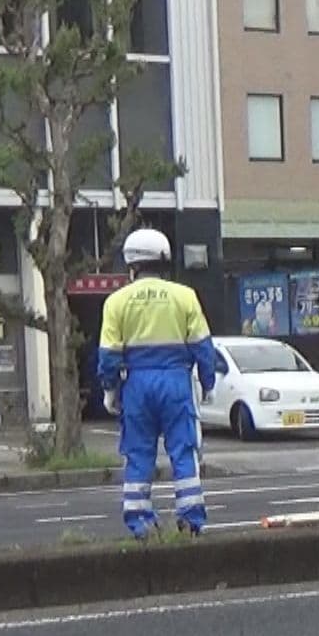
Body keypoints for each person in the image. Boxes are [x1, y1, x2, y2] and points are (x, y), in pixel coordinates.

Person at [96, 228, 219, 539]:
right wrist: (207, 381)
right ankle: (191, 519)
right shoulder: (185, 296)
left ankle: (140, 523)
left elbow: (109, 355)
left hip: (136, 384)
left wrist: (110, 389)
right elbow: (203, 346)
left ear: (131, 263)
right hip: (176, 382)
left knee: (138, 454)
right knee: (184, 450)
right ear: (163, 260)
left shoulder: (116, 301)